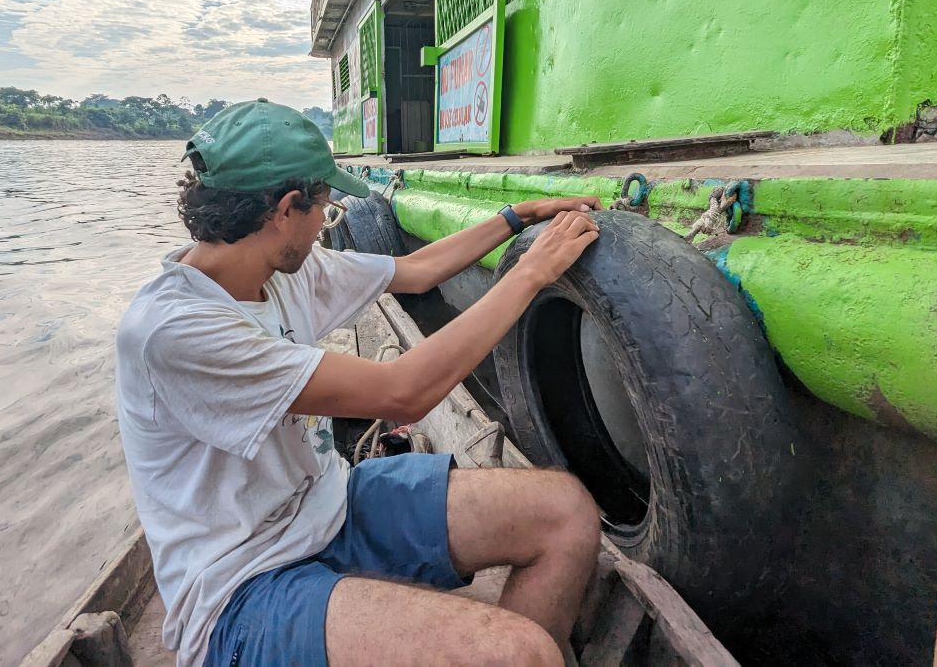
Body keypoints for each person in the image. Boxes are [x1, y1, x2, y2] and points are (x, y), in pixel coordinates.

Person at [116, 98, 603, 667]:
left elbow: (416, 269)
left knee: (565, 513)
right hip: (241, 580)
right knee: (518, 653)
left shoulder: (280, 267)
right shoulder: (176, 331)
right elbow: (404, 393)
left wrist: (520, 215)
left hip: (328, 505)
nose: (328, 220)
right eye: (322, 204)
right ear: (285, 208)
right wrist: (531, 273)